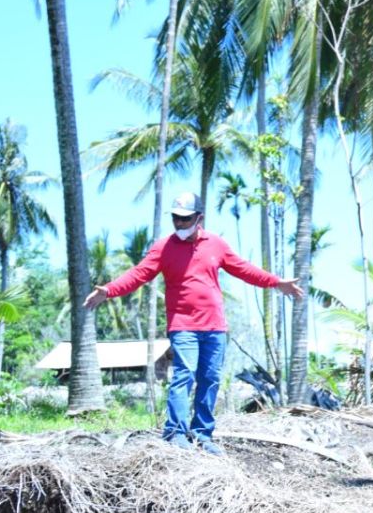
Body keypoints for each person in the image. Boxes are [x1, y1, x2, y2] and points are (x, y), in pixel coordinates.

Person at [84, 192, 302, 454]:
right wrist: (108, 290)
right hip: (183, 325)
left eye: (186, 219)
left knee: (210, 378)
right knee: (184, 376)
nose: (180, 224)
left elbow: (244, 269)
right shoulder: (163, 248)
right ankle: (175, 432)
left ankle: (202, 434)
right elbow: (138, 274)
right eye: (176, 218)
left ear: (200, 218)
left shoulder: (216, 244)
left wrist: (276, 282)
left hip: (214, 327)